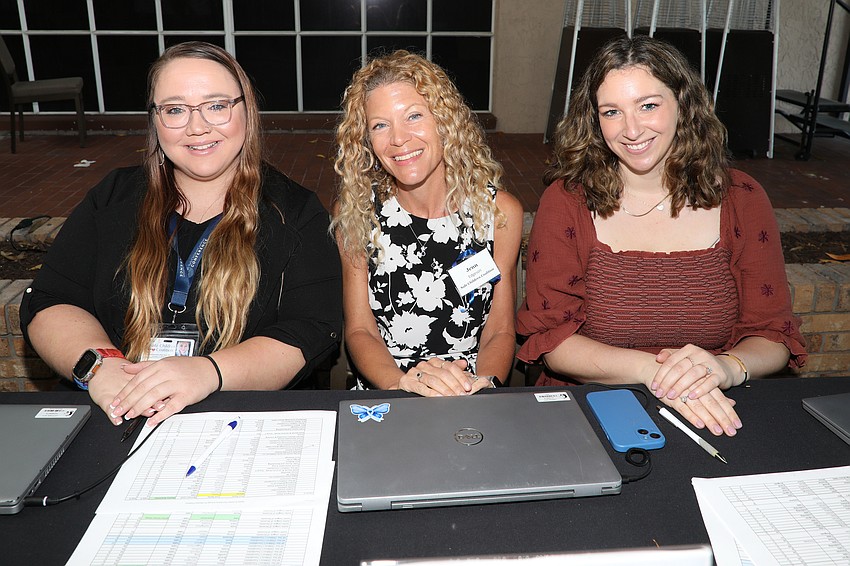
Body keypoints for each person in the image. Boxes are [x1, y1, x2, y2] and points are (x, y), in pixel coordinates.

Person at [20, 42, 342, 427]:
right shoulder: (114, 197)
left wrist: (208, 372)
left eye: (216, 105)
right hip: (116, 411)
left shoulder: (295, 211)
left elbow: (311, 329)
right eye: (175, 110)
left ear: (246, 110)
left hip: (238, 421)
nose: (197, 126)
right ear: (155, 120)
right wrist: (101, 367)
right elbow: (51, 300)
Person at [516, 36, 805, 436]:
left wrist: (727, 367)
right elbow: (553, 341)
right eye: (612, 111)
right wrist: (659, 375)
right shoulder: (567, 202)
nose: (631, 129)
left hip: (716, 407)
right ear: (594, 120)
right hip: (594, 413)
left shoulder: (742, 199)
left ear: (683, 105)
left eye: (648, 105)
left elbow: (772, 333)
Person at [332, 50, 523, 397]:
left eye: (414, 116)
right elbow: (360, 330)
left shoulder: (498, 214)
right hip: (388, 390)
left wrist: (483, 386)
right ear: (366, 141)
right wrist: (399, 384)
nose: (398, 138)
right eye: (380, 125)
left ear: (445, 122)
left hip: (471, 388)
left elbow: (500, 328)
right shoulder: (356, 213)